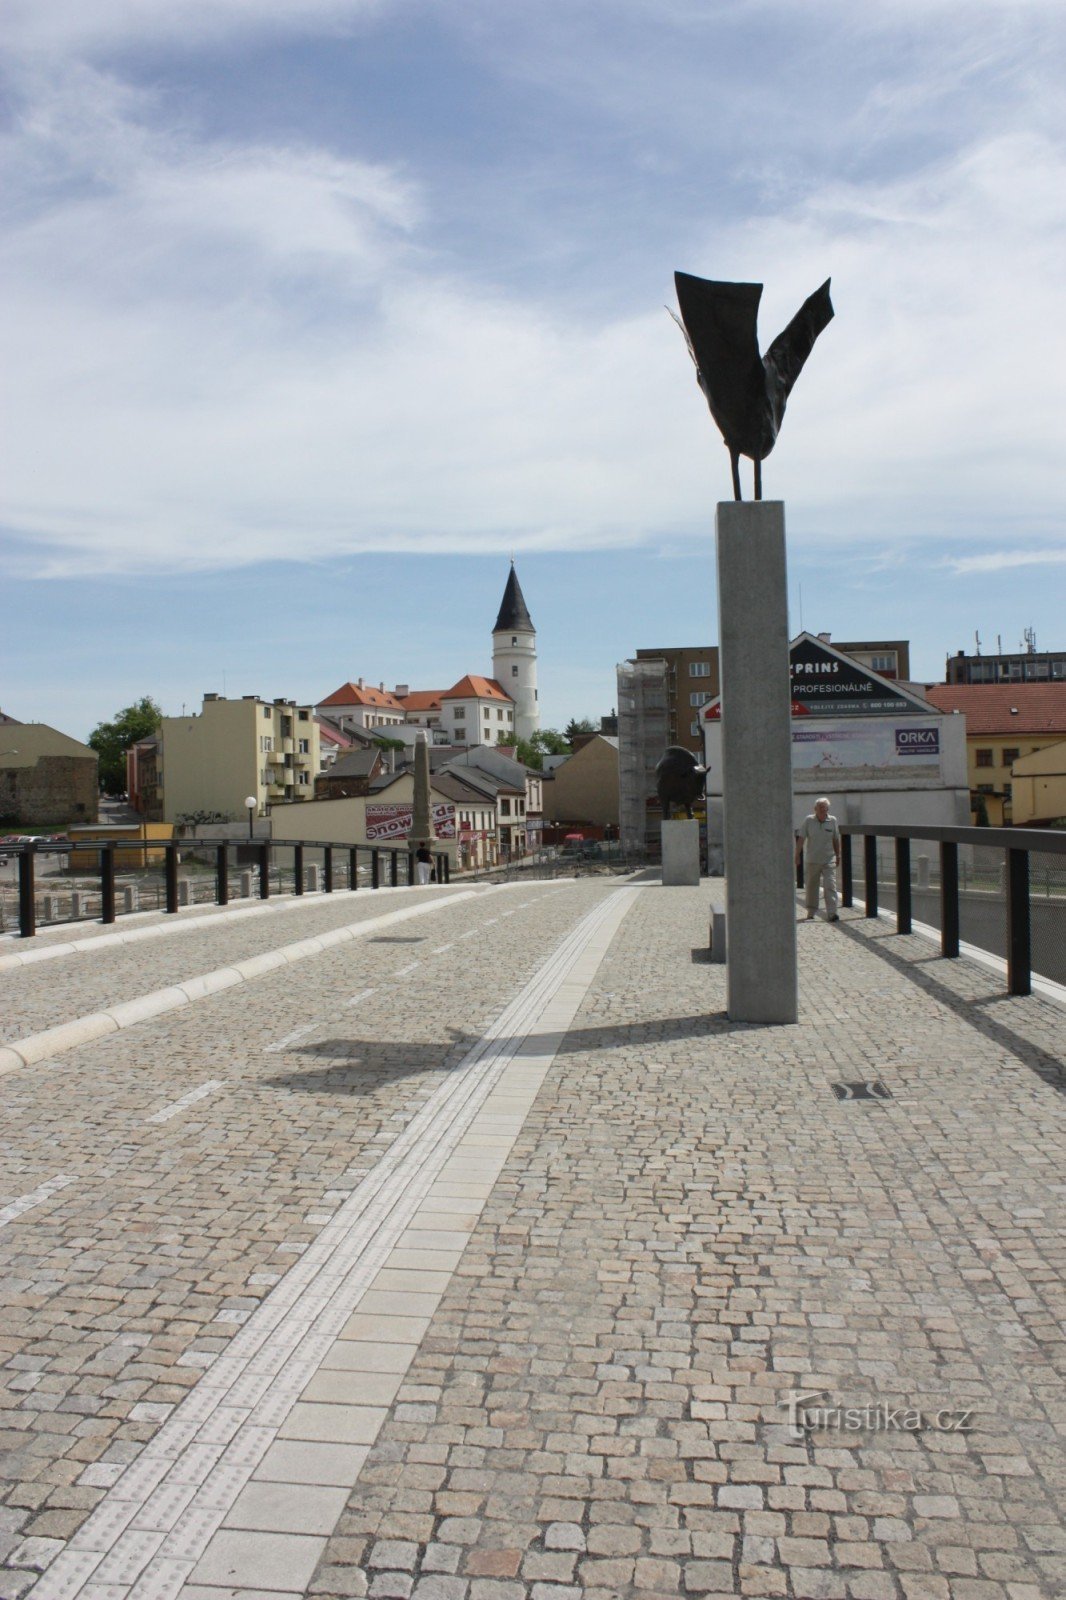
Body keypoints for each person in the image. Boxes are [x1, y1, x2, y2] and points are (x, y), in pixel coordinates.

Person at [796, 797, 841, 921]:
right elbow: (801, 839)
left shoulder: (832, 821)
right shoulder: (809, 820)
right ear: (815, 809)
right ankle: (811, 912)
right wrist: (796, 855)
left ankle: (832, 913)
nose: (823, 810)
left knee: (830, 885)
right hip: (812, 860)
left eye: (825, 808)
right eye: (820, 808)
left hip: (828, 859)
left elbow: (836, 839)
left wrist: (838, 855)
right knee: (811, 886)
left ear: (828, 809)